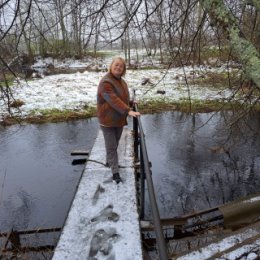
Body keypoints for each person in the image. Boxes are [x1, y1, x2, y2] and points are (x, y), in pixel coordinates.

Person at [97, 57, 140, 184]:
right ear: (111, 66)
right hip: (107, 120)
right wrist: (128, 110)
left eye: (121, 66)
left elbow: (121, 98)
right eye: (116, 65)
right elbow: (113, 99)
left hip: (118, 120)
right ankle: (115, 173)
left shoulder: (122, 82)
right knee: (111, 147)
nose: (118, 68)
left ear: (124, 70)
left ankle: (108, 161)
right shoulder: (106, 82)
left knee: (114, 144)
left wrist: (131, 103)